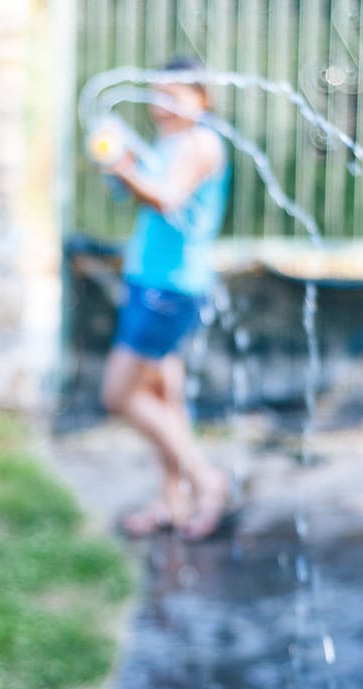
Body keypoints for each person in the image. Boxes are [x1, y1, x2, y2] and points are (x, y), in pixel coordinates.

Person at [98, 56, 233, 540]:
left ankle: (206, 480)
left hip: (168, 291)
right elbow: (138, 191)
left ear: (203, 100)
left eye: (173, 96)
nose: (161, 106)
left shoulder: (200, 143)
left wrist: (122, 167)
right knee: (162, 397)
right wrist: (121, 168)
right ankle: (171, 503)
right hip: (151, 283)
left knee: (119, 395)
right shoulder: (172, 140)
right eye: (156, 95)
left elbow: (166, 198)